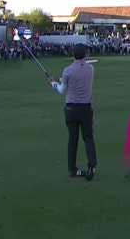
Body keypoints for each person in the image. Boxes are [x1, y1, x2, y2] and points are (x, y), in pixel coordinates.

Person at [48, 43, 97, 181]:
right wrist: (60, 80)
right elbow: (74, 79)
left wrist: (53, 83)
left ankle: (73, 169)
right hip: (86, 108)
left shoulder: (68, 70)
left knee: (73, 140)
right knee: (88, 137)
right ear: (85, 54)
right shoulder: (90, 68)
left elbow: (62, 90)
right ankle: (92, 166)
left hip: (71, 109)